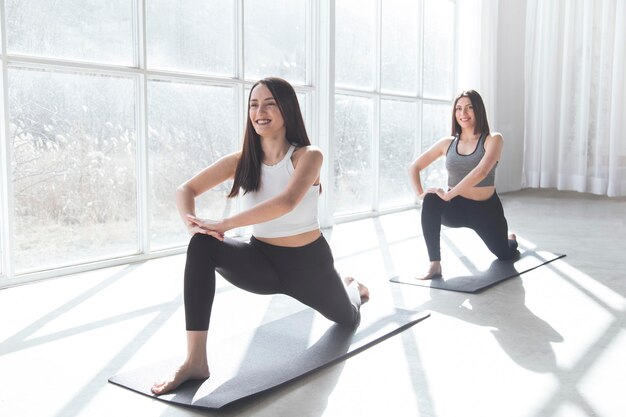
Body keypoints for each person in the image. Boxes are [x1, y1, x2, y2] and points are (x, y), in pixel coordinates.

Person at [151, 77, 369, 395]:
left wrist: (224, 225)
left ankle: (351, 287)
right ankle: (196, 359)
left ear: (287, 110)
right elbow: (185, 189)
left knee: (347, 319)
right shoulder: (241, 161)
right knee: (201, 245)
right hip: (262, 263)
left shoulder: (308, 156)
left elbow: (285, 203)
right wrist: (194, 227)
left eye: (269, 103)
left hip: (310, 267)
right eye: (254, 104)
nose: (259, 111)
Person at [409, 89, 518, 280]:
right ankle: (434, 264)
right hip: (456, 209)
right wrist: (421, 195)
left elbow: (481, 172)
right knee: (431, 200)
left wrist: (449, 194)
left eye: (469, 108)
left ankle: (511, 239)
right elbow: (415, 166)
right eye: (458, 109)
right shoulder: (447, 143)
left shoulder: (493, 139)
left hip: (486, 211)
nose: (463, 113)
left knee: (505, 255)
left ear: (478, 110)